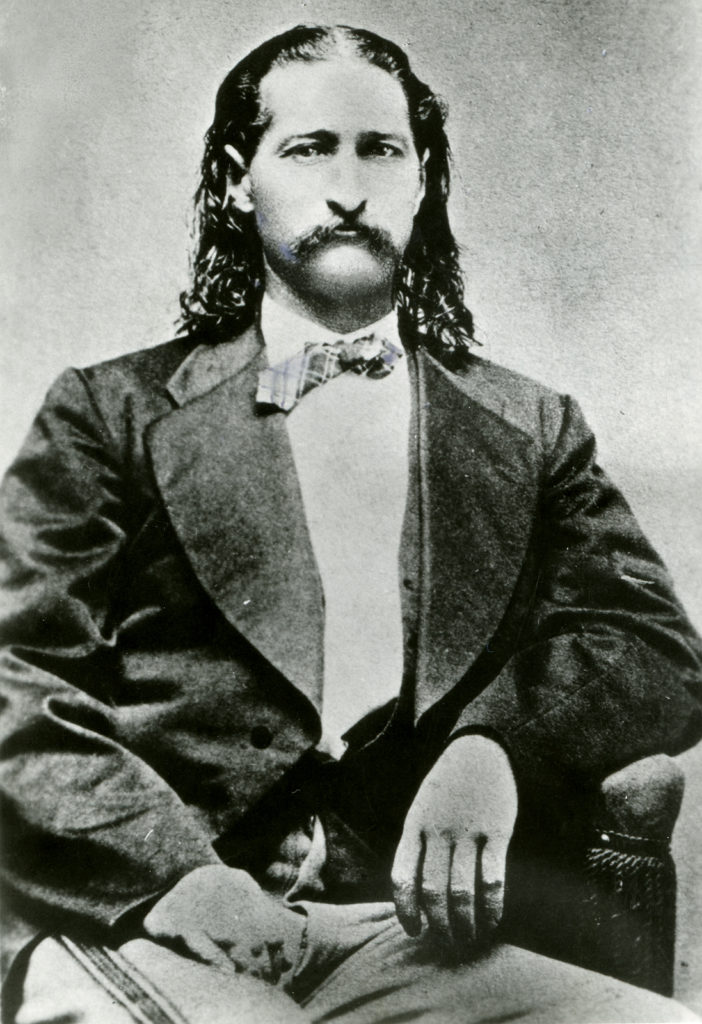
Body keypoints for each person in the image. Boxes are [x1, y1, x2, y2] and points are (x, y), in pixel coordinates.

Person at [1, 23, 701, 1024]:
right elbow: (15, 679)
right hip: (145, 917)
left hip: (396, 934)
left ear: (423, 183)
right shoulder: (108, 413)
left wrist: (495, 747)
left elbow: (655, 646)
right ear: (237, 181)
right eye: (308, 149)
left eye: (380, 151)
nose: (347, 188)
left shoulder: (529, 427)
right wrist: (174, 875)